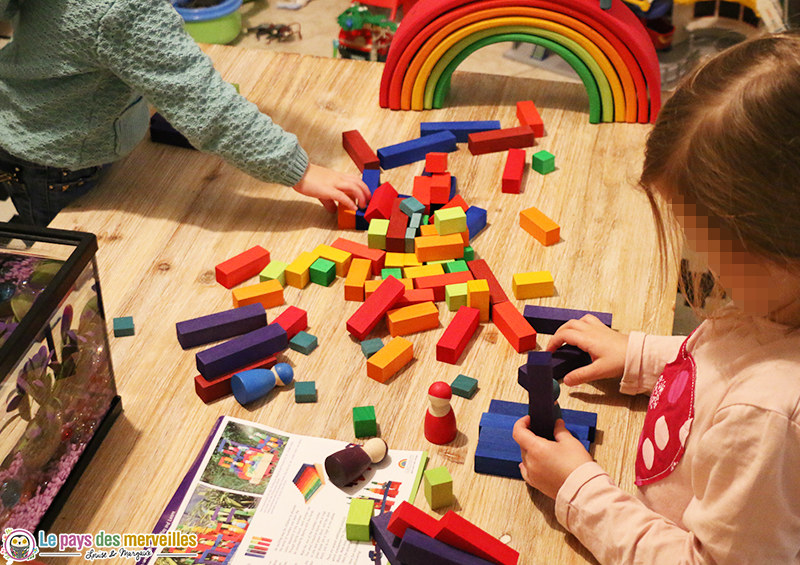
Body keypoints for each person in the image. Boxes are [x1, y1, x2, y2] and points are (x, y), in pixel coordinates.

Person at [512, 32, 800, 564]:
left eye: (709, 245)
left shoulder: (767, 422)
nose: (700, 260)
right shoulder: (776, 305)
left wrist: (580, 492)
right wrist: (645, 357)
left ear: (774, 244)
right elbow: (727, 360)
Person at [0, 0, 370, 227]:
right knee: (56, 272)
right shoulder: (122, 9)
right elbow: (205, 105)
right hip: (56, 162)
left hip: (37, 121)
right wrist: (298, 168)